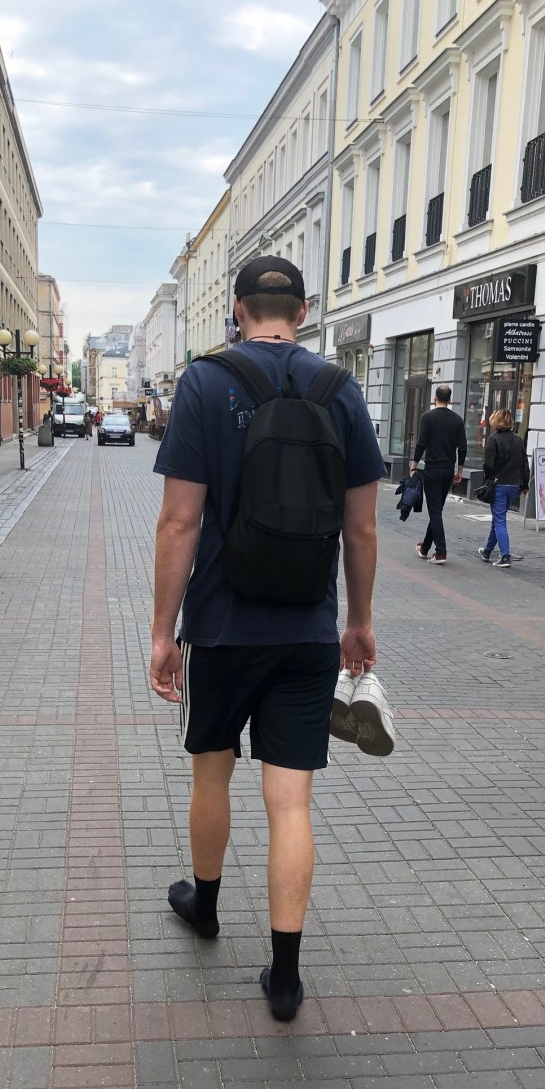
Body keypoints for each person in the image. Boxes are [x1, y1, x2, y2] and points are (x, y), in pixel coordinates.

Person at [149, 255, 386, 1021]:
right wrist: (357, 622)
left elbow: (179, 521)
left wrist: (162, 632)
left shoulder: (204, 383)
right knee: (291, 804)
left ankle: (206, 907)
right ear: (304, 310)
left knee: (211, 776)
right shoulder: (340, 388)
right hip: (308, 631)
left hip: (221, 627)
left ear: (238, 309)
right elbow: (362, 529)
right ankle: (285, 977)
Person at [412, 384, 467, 563]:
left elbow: (421, 443)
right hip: (448, 471)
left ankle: (441, 552)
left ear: (435, 397)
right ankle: (425, 547)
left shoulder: (427, 417)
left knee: (435, 511)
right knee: (437, 510)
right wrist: (459, 470)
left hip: (432, 470)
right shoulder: (457, 420)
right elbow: (463, 448)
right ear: (450, 399)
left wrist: (414, 466)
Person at [476, 408, 530, 568]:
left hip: (499, 484)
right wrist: (525, 485)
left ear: (495, 421)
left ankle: (505, 556)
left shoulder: (493, 439)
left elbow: (488, 465)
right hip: (514, 485)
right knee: (498, 518)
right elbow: (524, 465)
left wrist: (489, 477)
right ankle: (487, 551)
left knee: (499, 520)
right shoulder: (518, 440)